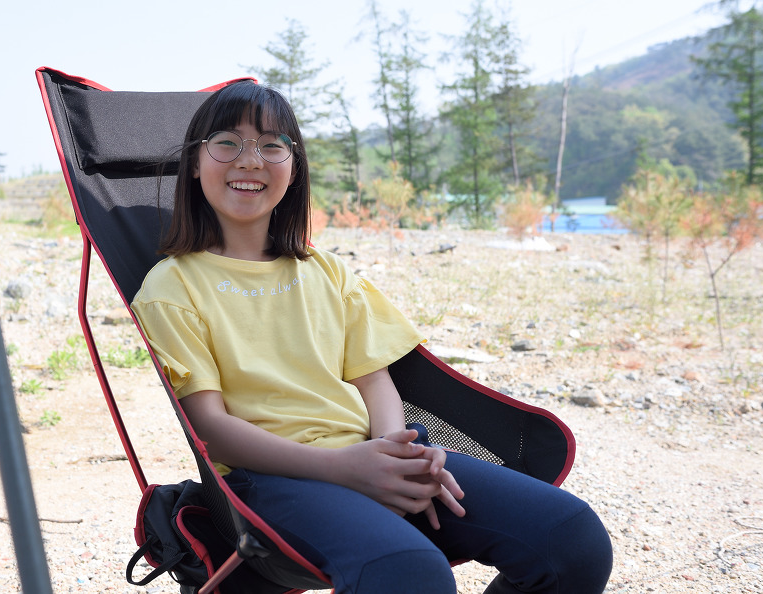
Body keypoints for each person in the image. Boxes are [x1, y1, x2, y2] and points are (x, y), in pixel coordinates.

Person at [131, 80, 613, 594]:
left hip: (370, 452)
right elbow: (211, 428)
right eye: (227, 143)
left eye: (272, 145)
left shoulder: (327, 272)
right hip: (270, 480)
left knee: (571, 540)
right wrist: (343, 468)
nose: (250, 160)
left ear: (294, 167)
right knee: (408, 573)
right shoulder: (173, 287)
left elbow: (375, 381)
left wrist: (392, 452)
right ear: (195, 163)